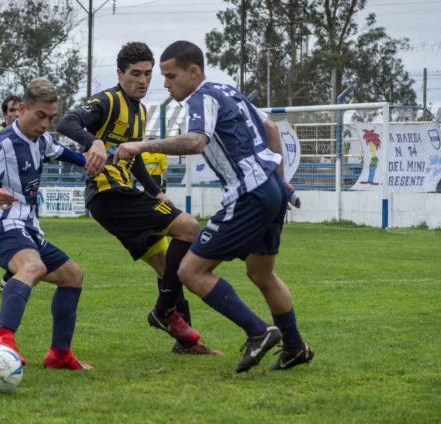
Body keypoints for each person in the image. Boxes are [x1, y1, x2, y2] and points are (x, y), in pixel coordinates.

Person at [114, 40, 313, 373]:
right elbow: (271, 129)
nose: (165, 84)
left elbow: (195, 142)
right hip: (270, 188)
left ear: (193, 72)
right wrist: (280, 178)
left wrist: (140, 145)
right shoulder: (228, 91)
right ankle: (294, 347)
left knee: (190, 271)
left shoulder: (200, 97)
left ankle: (259, 331)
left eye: (170, 75)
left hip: (248, 194)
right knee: (261, 274)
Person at [57, 42, 219, 355]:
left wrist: (155, 191)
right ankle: (162, 311)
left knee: (168, 267)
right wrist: (95, 143)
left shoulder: (140, 110)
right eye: (135, 74)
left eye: (147, 74)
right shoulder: (107, 100)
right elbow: (67, 122)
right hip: (110, 192)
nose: (142, 81)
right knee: (188, 227)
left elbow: (136, 158)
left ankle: (186, 342)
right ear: (120, 74)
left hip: (118, 197)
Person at [0, 77, 92, 370]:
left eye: (51, 118)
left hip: (27, 229)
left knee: (73, 275)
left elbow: (63, 152)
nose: (45, 124)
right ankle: (1, 338)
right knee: (33, 267)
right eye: (40, 116)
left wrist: (92, 159)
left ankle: (59, 355)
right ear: (21, 109)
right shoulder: (1, 143)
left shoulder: (41, 139)